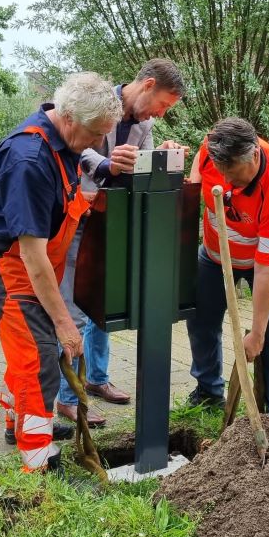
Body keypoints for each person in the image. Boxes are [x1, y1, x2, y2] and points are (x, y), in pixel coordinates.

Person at [0, 73, 137, 473]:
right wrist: (64, 323)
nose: (99, 143)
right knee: (38, 354)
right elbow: (32, 255)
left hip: (28, 259)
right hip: (6, 262)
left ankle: (21, 421)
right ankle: (37, 457)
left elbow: (59, 202)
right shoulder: (29, 160)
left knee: (30, 347)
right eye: (96, 133)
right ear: (71, 117)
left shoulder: (64, 141)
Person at [54, 58, 187, 427]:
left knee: (105, 304)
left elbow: (138, 170)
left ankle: (97, 379)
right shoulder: (95, 104)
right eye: (163, 104)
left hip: (112, 222)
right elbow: (78, 149)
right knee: (74, 309)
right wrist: (108, 164)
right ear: (148, 85)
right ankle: (67, 397)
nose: (160, 114)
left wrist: (161, 157)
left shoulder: (145, 125)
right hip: (77, 218)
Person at [186, 117, 269, 426]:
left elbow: (266, 271)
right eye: (221, 171)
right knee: (200, 318)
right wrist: (194, 183)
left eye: (233, 173)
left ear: (254, 155)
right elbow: (200, 159)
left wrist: (256, 333)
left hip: (266, 259)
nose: (226, 180)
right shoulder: (215, 146)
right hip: (215, 254)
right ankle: (208, 392)